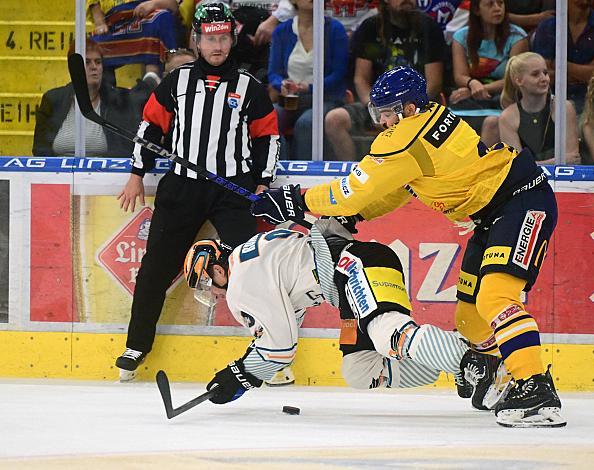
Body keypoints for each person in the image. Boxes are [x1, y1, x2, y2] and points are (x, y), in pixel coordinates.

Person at [251, 66, 567, 428]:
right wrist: (356, 216)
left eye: (389, 111)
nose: (384, 120)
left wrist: (294, 200)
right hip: (494, 213)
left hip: (520, 202)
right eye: (379, 112)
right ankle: (503, 375)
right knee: (469, 318)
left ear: (411, 107)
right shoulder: (429, 123)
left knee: (496, 297)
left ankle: (536, 387)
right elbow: (399, 189)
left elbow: (351, 191)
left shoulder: (403, 138)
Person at [184, 219, 507, 415]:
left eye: (206, 285)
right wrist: (245, 372)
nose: (213, 294)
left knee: (386, 332)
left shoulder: (242, 282)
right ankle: (456, 352)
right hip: (352, 282)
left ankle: (485, 368)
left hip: (354, 267)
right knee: (359, 371)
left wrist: (237, 376)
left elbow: (280, 349)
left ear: (216, 269)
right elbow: (282, 329)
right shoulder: (254, 258)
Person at [114, 3, 280, 381]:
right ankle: (136, 344)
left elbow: (267, 137)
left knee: (252, 270)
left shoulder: (248, 87)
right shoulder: (178, 82)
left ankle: (270, 351)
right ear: (198, 40)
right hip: (182, 186)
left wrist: (262, 180)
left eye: (223, 38)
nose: (217, 45)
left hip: (233, 189)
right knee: (155, 268)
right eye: (210, 38)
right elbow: (149, 128)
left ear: (232, 39)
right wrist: (137, 173)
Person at [324, 0, 446, 161]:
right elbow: (361, 79)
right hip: (377, 105)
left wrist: (408, 110)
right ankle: (353, 174)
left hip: (416, 106)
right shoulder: (370, 27)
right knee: (334, 119)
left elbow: (434, 83)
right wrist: (376, 110)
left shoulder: (429, 27)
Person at [33, 39, 142, 158]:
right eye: (87, 62)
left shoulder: (119, 101)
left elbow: (125, 149)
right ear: (74, 68)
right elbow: (40, 150)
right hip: (58, 173)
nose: (94, 67)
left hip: (103, 173)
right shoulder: (53, 100)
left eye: (98, 62)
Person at [268, 0, 349, 160]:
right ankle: (276, 170)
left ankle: (306, 176)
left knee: (306, 123)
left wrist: (311, 87)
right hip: (291, 99)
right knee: (270, 118)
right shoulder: (282, 31)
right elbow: (273, 73)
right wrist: (282, 84)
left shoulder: (335, 29)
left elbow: (339, 73)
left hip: (325, 98)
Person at [449, 0, 529, 144]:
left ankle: (482, 165)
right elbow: (459, 75)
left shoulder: (518, 37)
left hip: (505, 97)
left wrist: (480, 88)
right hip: (470, 96)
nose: (497, 8)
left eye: (501, 3)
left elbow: (513, 78)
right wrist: (472, 83)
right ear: (476, 10)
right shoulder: (460, 37)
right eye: (490, 4)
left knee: (492, 123)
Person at [532, 0, 594, 113]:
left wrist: (559, 64)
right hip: (553, 103)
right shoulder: (547, 27)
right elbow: (544, 76)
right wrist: (589, 70)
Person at [498, 52, 581, 164]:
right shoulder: (508, 117)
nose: (544, 78)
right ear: (519, 80)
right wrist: (553, 162)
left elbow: (573, 159)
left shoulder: (564, 108)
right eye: (535, 74)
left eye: (545, 73)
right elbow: (516, 166)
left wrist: (534, 164)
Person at [88, 0, 181, 77]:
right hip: (115, 25)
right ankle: (106, 93)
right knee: (93, 47)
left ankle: (153, 78)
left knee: (163, 19)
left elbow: (174, 6)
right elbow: (94, 6)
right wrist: (100, 22)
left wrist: (153, 4)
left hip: (149, 17)